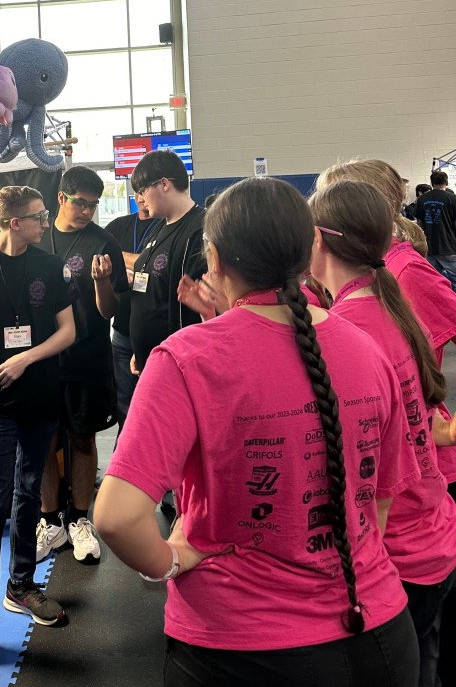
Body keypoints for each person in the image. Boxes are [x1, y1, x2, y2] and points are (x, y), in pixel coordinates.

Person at [94, 177, 420, 687]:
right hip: (382, 635)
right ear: (309, 251)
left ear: (214, 259)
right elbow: (378, 504)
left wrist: (170, 561)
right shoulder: (366, 348)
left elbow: (115, 518)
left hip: (242, 649)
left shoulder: (186, 358)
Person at [311, 179, 456, 686]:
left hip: (399, 553)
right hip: (431, 536)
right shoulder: (381, 304)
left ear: (318, 240)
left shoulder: (348, 328)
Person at [0, 185, 75, 626]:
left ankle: (21, 584)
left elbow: (68, 331)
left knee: (29, 492)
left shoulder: (49, 265)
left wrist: (26, 358)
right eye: (38, 216)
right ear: (14, 223)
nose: (45, 222)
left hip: (41, 397)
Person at [36, 166, 128, 566]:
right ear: (61, 198)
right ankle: (49, 520)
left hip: (87, 358)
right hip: (42, 359)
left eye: (93, 205)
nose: (87, 212)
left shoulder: (103, 243)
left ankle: (78, 518)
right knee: (43, 439)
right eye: (80, 203)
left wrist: (101, 283)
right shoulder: (38, 238)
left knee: (82, 437)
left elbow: (110, 311)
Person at [128, 149, 206, 375]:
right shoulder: (160, 227)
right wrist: (141, 348)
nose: (140, 199)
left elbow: (194, 310)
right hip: (151, 358)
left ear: (164, 184)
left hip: (176, 363)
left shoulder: (199, 230)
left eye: (143, 190)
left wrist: (174, 358)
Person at [104, 196, 162, 429]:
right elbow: (100, 256)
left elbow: (156, 266)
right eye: (139, 192)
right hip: (122, 333)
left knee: (156, 405)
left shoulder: (166, 227)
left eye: (147, 191)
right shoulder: (118, 226)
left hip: (156, 335)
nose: (142, 197)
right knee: (124, 405)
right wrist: (139, 263)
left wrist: (121, 257)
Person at [416, 171, 456, 290]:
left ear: (432, 183)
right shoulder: (453, 198)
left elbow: (419, 223)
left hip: (430, 246)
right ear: (447, 182)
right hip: (449, 246)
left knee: (435, 281)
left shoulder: (422, 199)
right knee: (454, 279)